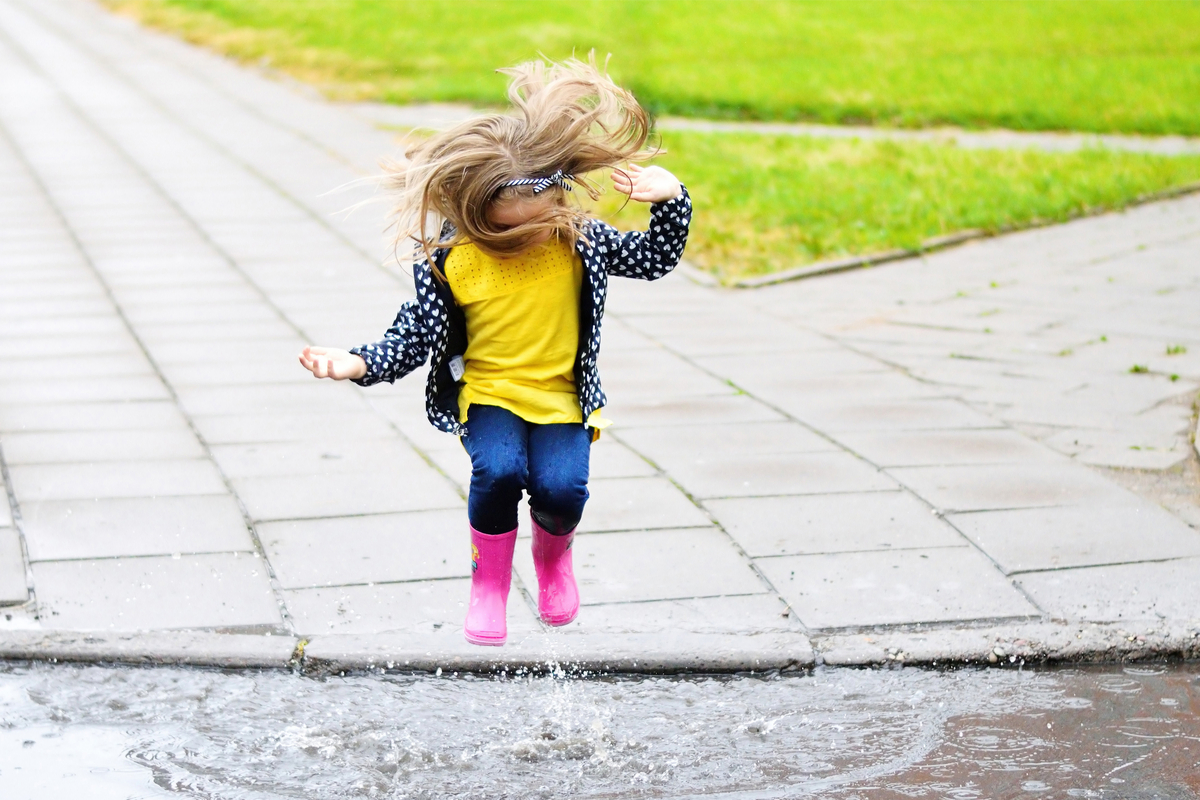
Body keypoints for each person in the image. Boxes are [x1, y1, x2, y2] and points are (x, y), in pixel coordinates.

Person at [297, 57, 691, 646]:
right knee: (499, 471)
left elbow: (655, 259)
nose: (525, 241)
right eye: (507, 236)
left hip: (562, 397)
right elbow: (414, 334)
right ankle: (489, 582)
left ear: (559, 202)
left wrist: (672, 197)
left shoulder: (580, 242)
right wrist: (359, 363)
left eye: (537, 226)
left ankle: (553, 561)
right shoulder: (450, 263)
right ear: (475, 220)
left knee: (562, 488)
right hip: (489, 395)